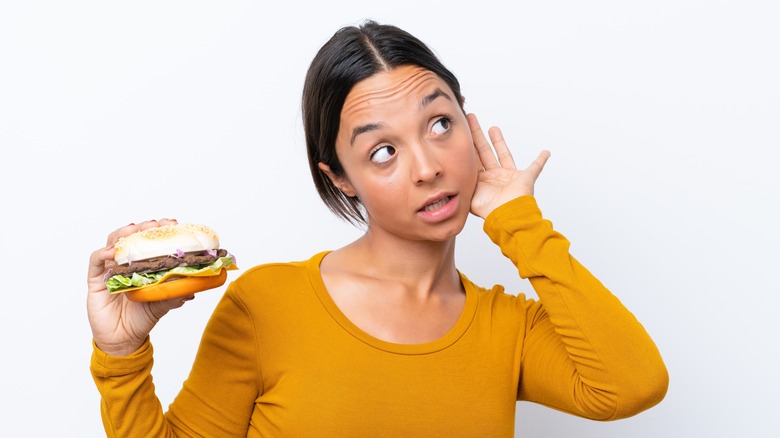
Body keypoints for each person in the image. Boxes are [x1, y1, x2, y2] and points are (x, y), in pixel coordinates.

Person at [88, 20, 668, 437]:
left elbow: (632, 385)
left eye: (440, 123)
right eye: (384, 150)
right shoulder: (265, 305)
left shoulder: (506, 328)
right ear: (340, 176)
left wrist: (519, 221)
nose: (429, 166)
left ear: (469, 124)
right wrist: (121, 355)